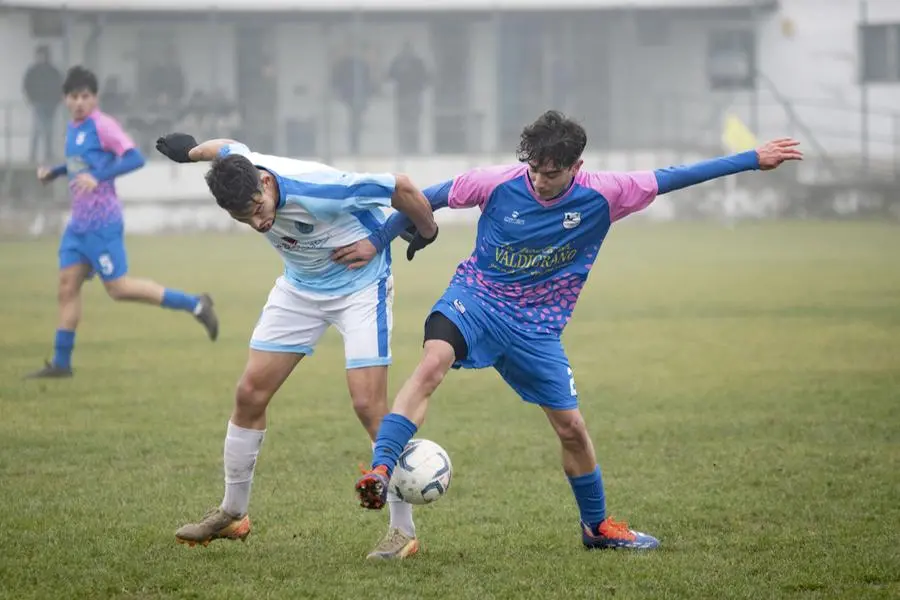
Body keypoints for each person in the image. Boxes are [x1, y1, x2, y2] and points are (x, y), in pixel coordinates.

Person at [343, 110, 803, 551]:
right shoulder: (496, 181)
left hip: (537, 330)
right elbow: (425, 198)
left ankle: (597, 527)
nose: (540, 181)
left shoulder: (607, 192)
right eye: (535, 171)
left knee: (572, 430)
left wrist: (751, 158)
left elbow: (675, 175)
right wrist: (378, 240)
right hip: (475, 301)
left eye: (551, 173)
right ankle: (382, 471)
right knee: (432, 363)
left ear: (576, 167)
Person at [154, 132, 439, 559]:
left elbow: (401, 187)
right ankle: (233, 512)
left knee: (367, 405)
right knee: (249, 393)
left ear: (266, 185)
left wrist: (426, 230)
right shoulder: (242, 170)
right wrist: (191, 152)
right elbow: (226, 147)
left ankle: (403, 531)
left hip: (360, 287)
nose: (258, 222)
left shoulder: (320, 188)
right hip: (300, 289)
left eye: (257, 209)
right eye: (243, 218)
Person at [26, 67, 218, 380]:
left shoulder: (103, 126)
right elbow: (81, 165)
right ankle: (61, 364)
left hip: (103, 222)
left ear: (94, 98)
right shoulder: (73, 129)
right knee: (66, 287)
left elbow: (134, 158)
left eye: (85, 96)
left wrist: (97, 177)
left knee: (119, 288)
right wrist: (57, 172)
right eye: (73, 97)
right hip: (78, 226)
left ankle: (195, 304)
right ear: (65, 99)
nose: (79, 102)